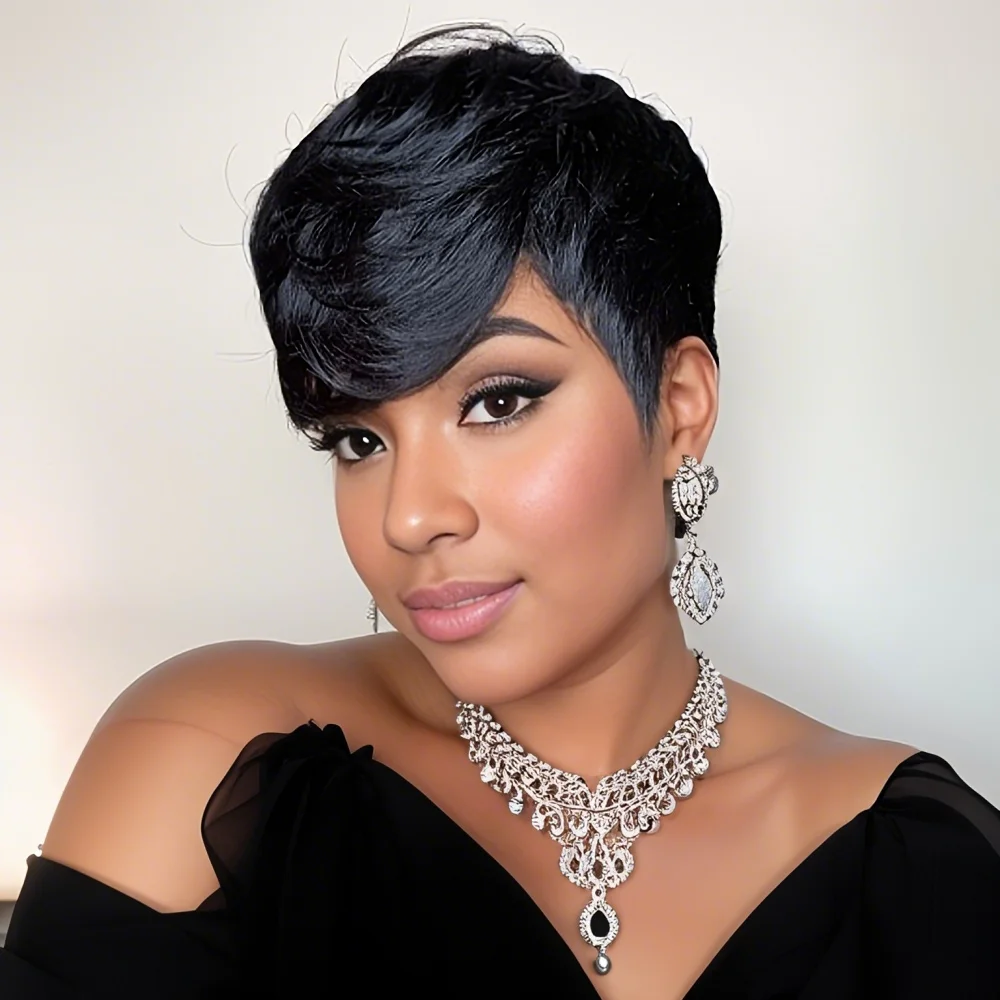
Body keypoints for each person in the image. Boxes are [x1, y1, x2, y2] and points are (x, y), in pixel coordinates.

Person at [2, 22, 999, 999]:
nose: (407, 517)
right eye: (358, 440)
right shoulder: (222, 761)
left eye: (498, 401)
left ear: (679, 409)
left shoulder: (915, 864)